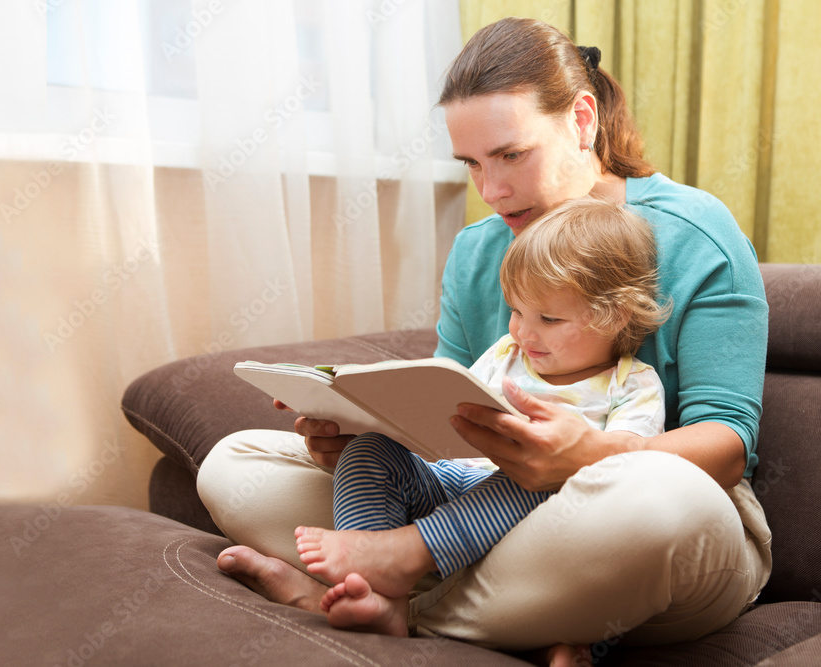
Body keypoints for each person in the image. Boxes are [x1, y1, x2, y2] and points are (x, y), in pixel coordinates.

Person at [197, 16, 771, 665]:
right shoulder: (478, 250)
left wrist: (585, 456)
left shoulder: (697, 234)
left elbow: (726, 450)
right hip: (485, 507)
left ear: (583, 120)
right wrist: (364, 434)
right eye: (471, 163)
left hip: (644, 519)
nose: (491, 191)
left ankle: (393, 595)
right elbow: (449, 423)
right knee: (234, 462)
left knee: (657, 504)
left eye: (510, 155)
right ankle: (424, 584)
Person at [294, 198, 672, 636]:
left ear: (615, 315)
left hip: (542, 515)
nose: (523, 332)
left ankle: (409, 554)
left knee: (538, 470)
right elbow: (446, 417)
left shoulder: (632, 385)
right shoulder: (505, 355)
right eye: (516, 310)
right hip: (454, 484)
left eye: (548, 318)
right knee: (368, 451)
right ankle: (379, 594)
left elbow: (623, 476)